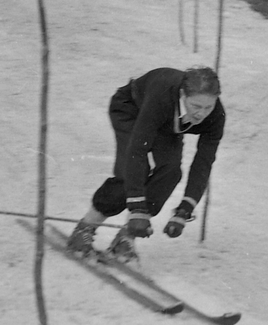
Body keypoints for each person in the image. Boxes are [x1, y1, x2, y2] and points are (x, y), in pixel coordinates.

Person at [66, 66, 225, 263]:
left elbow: (203, 163)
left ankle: (126, 238)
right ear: (183, 94)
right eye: (196, 106)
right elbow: (137, 152)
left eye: (208, 107)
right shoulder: (162, 95)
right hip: (131, 109)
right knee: (131, 172)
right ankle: (85, 228)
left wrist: (185, 209)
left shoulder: (216, 116)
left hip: (165, 124)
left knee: (171, 171)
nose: (201, 114)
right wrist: (137, 208)